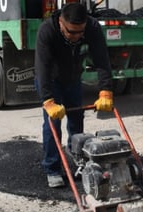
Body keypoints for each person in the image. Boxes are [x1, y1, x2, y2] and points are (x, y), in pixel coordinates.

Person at [35, 3, 113, 187]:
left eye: (80, 32)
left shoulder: (92, 28)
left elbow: (102, 59)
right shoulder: (47, 30)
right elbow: (42, 67)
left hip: (73, 78)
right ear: (61, 22)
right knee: (52, 123)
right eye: (71, 32)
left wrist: (106, 90)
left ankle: (79, 162)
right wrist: (48, 100)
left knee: (77, 120)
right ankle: (52, 169)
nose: (76, 36)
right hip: (51, 79)